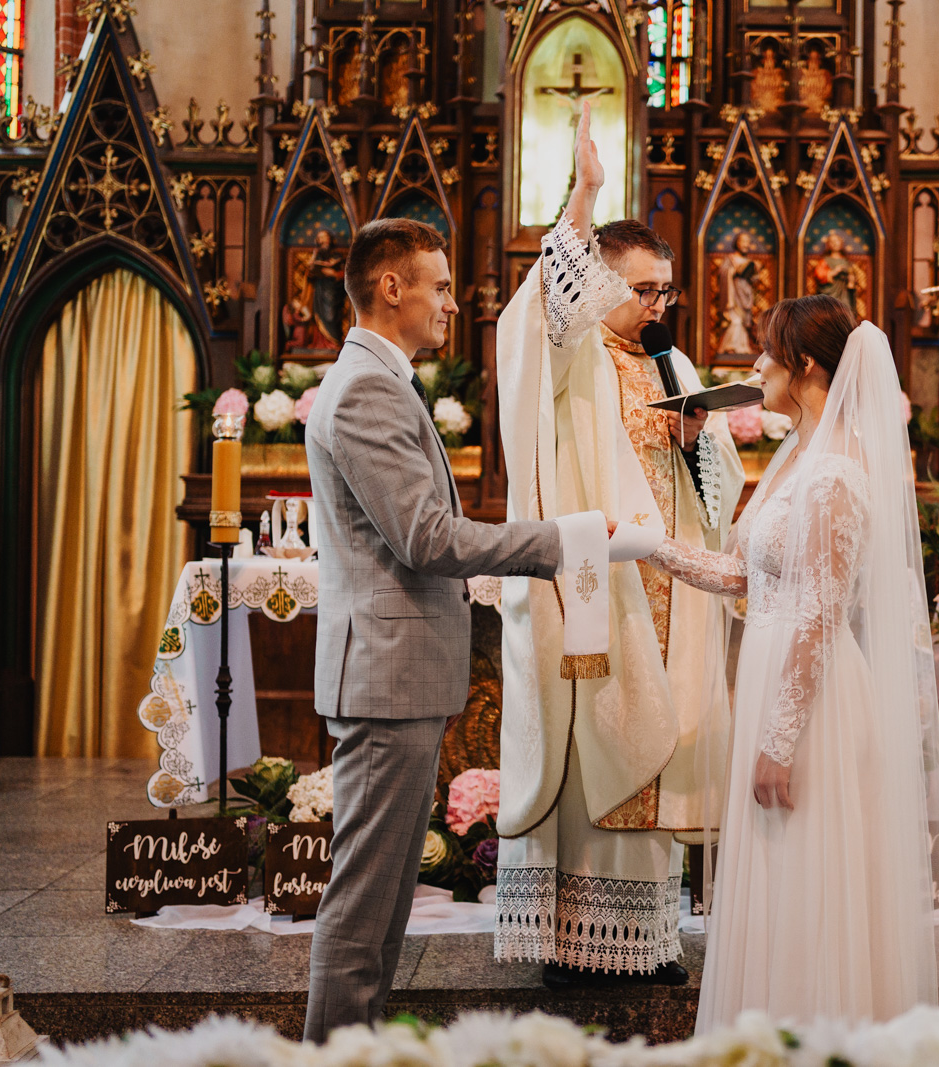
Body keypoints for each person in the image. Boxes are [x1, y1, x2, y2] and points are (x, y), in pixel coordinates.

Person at [301, 217, 606, 1040]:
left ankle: (354, 1049)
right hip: (386, 677)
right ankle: (333, 1054)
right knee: (365, 904)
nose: (452, 303)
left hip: (398, 673)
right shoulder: (365, 387)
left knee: (387, 897)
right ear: (390, 287)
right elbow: (427, 537)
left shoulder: (379, 380)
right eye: (438, 285)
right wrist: (561, 537)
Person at [646, 294, 939, 1029]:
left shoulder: (836, 475)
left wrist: (780, 741)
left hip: (812, 698)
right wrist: (647, 545)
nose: (754, 365)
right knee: (776, 878)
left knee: (808, 881)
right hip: (777, 675)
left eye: (767, 354)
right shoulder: (798, 459)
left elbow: (820, 616)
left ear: (806, 367)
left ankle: (819, 1033)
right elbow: (744, 575)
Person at [493, 105, 745, 987]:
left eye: (666, 290)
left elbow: (720, 485)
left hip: (672, 591)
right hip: (600, 589)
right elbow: (542, 311)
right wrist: (584, 194)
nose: (657, 305)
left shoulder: (670, 363)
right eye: (643, 290)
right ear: (601, 284)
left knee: (664, 747)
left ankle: (647, 937)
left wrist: (699, 444)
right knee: (598, 742)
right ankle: (574, 940)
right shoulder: (573, 352)